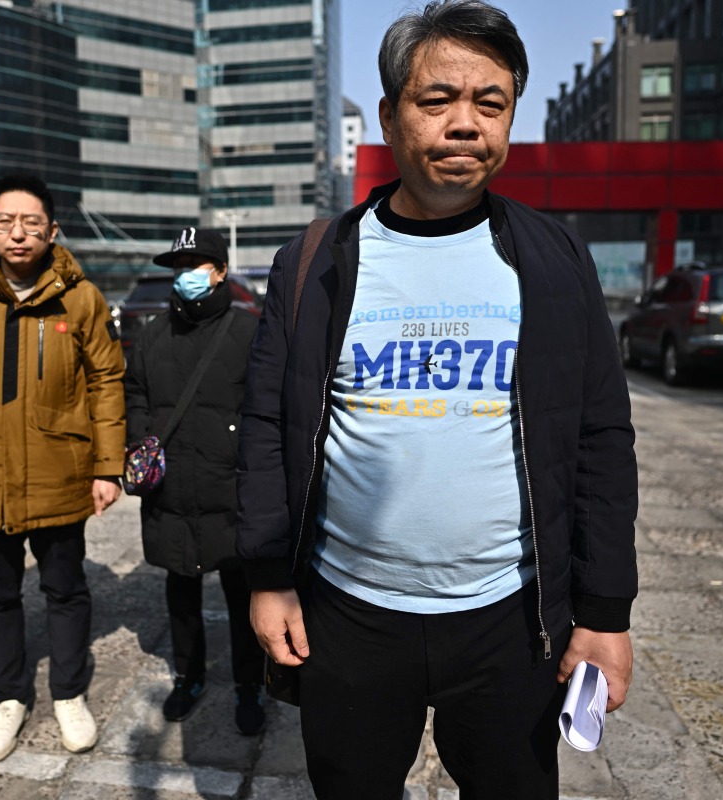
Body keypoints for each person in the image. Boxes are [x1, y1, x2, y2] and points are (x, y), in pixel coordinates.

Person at [236, 2, 639, 798]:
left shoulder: (554, 257)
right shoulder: (314, 260)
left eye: (490, 104)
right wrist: (267, 575)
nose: (465, 124)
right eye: (437, 101)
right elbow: (267, 428)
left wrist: (604, 611)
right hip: (348, 613)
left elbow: (599, 437)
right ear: (389, 116)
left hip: (510, 618)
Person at [0, 175, 125, 763]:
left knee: (65, 589)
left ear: (52, 231)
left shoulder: (80, 297)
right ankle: (10, 696)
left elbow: (106, 382)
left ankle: (68, 692)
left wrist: (107, 467)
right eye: (6, 222)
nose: (18, 233)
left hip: (61, 469)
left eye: (31, 223)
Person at [124, 228, 265, 734]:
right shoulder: (153, 335)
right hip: (172, 488)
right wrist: (142, 439)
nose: (186, 274)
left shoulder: (249, 331)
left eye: (197, 264)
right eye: (179, 266)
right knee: (180, 589)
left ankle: (251, 684)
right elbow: (134, 393)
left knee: (242, 593)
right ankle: (188, 676)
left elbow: (268, 406)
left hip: (230, 487)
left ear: (221, 270)